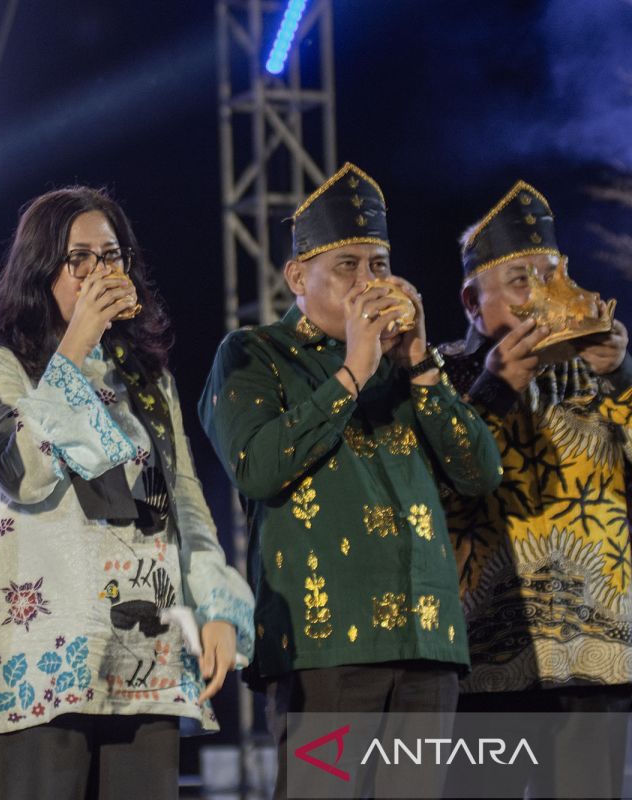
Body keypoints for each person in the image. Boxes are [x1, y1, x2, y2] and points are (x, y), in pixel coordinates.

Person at [198, 163, 502, 798]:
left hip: (428, 642)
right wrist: (353, 371)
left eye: (380, 264)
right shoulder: (253, 354)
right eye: (348, 267)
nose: (371, 282)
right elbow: (258, 467)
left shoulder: (407, 365)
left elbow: (480, 472)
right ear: (297, 278)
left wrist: (419, 363)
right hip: (325, 648)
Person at [0, 186, 254, 800]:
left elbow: (184, 503)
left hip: (145, 651)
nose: (98, 272)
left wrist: (216, 607)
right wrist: (75, 345)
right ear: (41, 271)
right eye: (78, 258)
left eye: (111, 256)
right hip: (41, 657)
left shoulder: (147, 379)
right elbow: (25, 478)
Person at [438, 181, 632, 797]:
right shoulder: (436, 375)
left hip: (592, 655)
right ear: (473, 301)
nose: (543, 295)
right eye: (521, 280)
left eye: (552, 276)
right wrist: (491, 392)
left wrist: (623, 377)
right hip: (483, 659)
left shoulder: (596, 372)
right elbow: (432, 493)